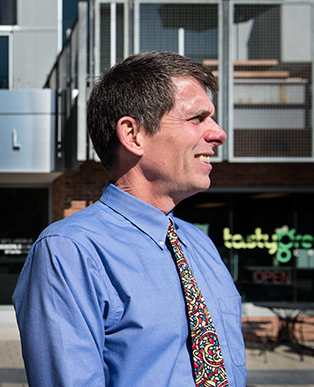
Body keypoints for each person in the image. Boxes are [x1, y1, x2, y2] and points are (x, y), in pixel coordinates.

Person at [12, 51, 247, 386]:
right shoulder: (70, 252)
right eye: (197, 118)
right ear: (133, 134)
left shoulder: (200, 245)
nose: (219, 134)